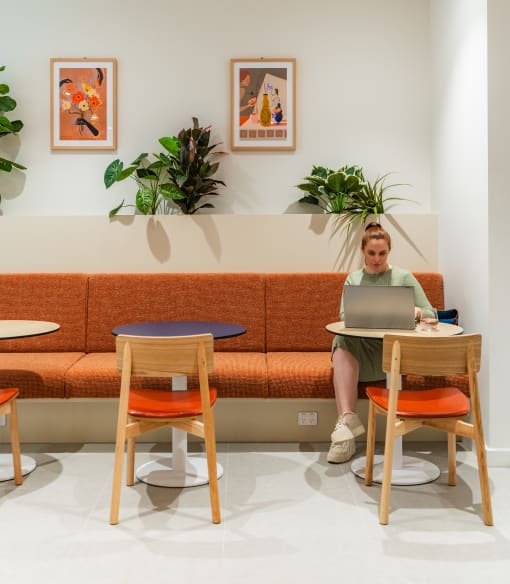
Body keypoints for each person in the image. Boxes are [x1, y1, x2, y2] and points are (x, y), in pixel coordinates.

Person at [327, 222, 432, 464]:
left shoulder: (403, 276)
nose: (376, 259)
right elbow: (344, 317)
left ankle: (345, 431)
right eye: (371, 253)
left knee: (344, 341)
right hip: (362, 347)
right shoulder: (354, 278)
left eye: (382, 253)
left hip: (396, 348)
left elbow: (430, 313)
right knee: (340, 339)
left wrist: (413, 311)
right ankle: (347, 423)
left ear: (389, 251)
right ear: (363, 251)